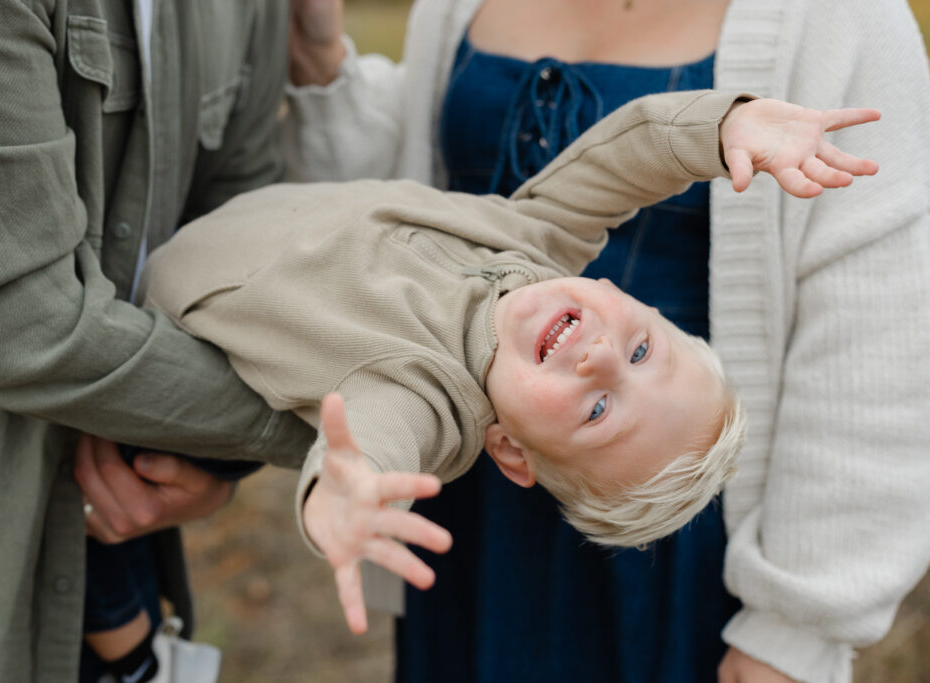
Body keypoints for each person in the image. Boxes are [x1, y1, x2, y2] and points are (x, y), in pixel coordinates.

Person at [284, 0, 930, 681]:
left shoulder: (837, 20)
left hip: (673, 547)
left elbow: (878, 348)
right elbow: (404, 214)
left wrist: (796, 628)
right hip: (470, 501)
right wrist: (323, 69)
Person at [133, 91, 876, 634]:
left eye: (598, 410)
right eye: (642, 347)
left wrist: (345, 501)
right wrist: (728, 127)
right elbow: (630, 154)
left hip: (146, 288)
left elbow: (363, 451)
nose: (599, 359)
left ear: (512, 449)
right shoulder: (537, 241)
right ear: (625, 293)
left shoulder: (424, 395)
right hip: (213, 190)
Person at [0, 3, 317, 683]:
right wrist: (309, 422)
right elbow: (8, 323)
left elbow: (247, 240)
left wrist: (213, 468)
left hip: (116, 577)